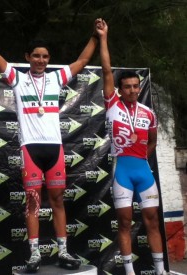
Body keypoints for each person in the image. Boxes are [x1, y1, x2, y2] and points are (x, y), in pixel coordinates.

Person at [0, 11, 99, 273]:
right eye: (36, 55)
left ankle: (64, 251)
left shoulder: (56, 78)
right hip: (30, 149)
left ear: (49, 59)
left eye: (45, 56)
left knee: (57, 201)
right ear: (27, 57)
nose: (41, 60)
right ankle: (34, 254)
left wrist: (96, 36)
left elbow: (84, 59)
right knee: (33, 201)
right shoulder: (18, 79)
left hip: (54, 148)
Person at [95, 19, 168, 275]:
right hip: (122, 171)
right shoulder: (112, 103)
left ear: (140, 87)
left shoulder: (148, 113)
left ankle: (160, 271)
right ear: (120, 89)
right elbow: (106, 69)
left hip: (143, 171)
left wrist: (143, 160)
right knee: (124, 223)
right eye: (127, 87)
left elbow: (153, 141)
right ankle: (129, 272)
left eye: (136, 86)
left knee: (152, 222)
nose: (133, 90)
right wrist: (104, 37)